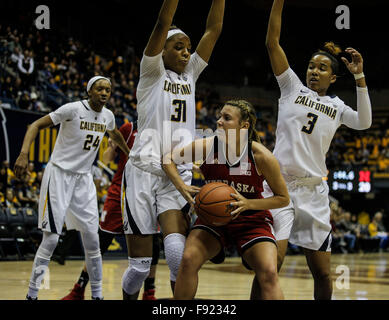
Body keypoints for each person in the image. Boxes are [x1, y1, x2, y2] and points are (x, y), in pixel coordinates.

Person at [251, 0, 372, 300]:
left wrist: (359, 77)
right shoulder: (292, 88)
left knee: (322, 273)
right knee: (270, 266)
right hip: (279, 188)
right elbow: (271, 42)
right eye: (311, 66)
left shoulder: (336, 106)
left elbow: (365, 122)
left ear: (333, 77)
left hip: (314, 193)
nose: (314, 71)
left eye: (322, 68)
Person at [120, 0, 225, 300]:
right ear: (162, 51)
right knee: (140, 267)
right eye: (178, 46)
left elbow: (214, 29)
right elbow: (161, 21)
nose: (186, 52)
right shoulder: (151, 73)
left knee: (178, 257)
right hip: (143, 170)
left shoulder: (190, 74)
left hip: (176, 173)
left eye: (188, 47)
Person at [14, 75, 131, 300]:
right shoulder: (72, 109)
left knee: (93, 239)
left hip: (83, 179)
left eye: (108, 89)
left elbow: (114, 133)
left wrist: (130, 154)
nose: (105, 93)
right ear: (89, 91)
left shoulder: (108, 116)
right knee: (50, 239)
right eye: (100, 89)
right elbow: (36, 124)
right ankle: (31, 295)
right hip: (58, 174)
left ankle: (97, 295)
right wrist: (24, 153)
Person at [162, 99, 289, 299]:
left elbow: (283, 199)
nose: (219, 121)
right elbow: (168, 158)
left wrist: (248, 204)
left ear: (244, 126)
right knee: (187, 260)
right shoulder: (207, 146)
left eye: (226, 118)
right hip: (213, 221)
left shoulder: (261, 156)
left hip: (250, 220)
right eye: (220, 116)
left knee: (270, 273)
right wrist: (181, 186)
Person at [61, 121, 161, 300]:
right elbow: (106, 159)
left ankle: (149, 292)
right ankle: (79, 289)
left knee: (152, 244)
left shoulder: (161, 129)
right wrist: (111, 146)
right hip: (120, 192)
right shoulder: (128, 128)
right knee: (101, 242)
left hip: (147, 193)